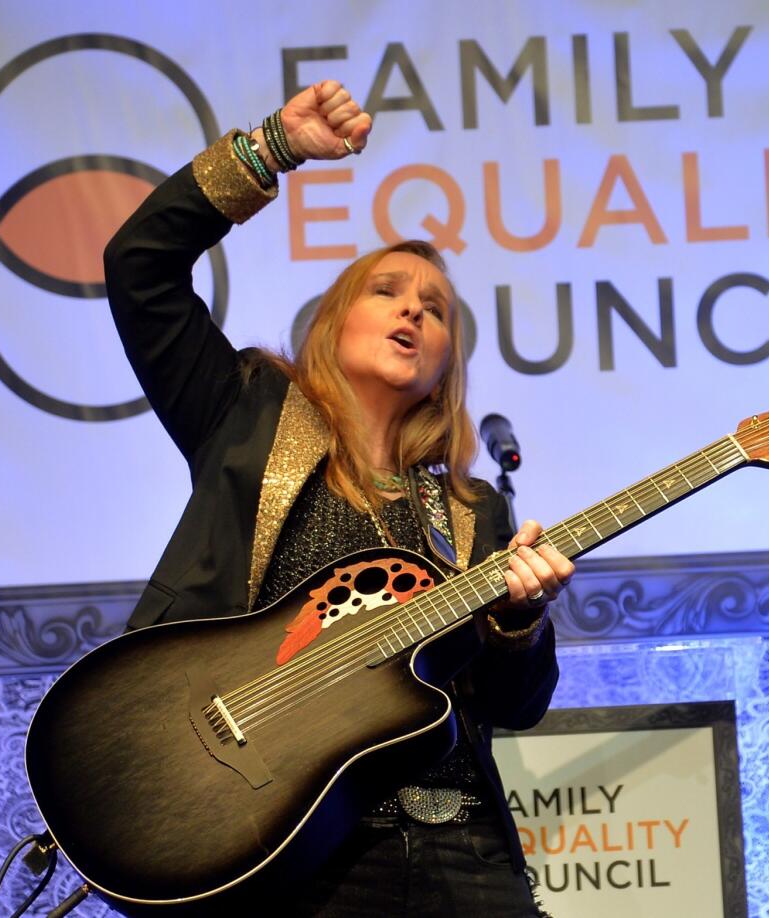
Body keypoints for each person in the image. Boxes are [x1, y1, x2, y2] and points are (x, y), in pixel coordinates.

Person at [103, 80, 573, 915]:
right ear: (332, 318)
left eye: (435, 311)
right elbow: (138, 265)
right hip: (291, 848)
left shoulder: (472, 511)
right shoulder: (242, 411)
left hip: (462, 848)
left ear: (445, 364)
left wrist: (520, 625)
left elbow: (514, 708)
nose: (413, 313)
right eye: (387, 292)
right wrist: (269, 149)